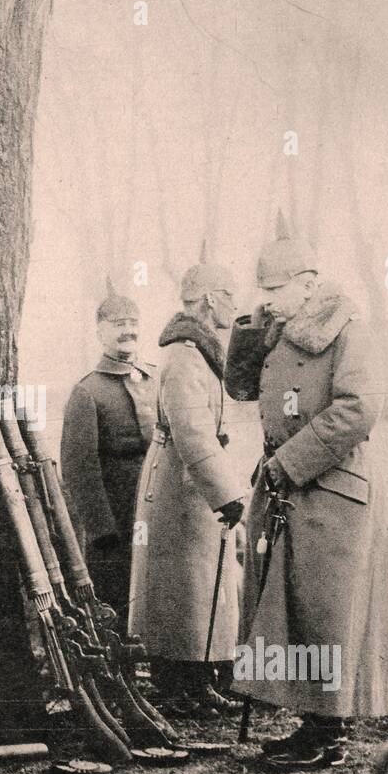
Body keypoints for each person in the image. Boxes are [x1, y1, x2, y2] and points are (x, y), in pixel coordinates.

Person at [225, 213, 388, 770]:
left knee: (328, 615)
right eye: (264, 291)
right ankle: (311, 725)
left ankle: (330, 734)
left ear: (307, 282)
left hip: (332, 490)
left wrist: (290, 463)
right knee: (295, 608)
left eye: (275, 290)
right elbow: (241, 388)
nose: (268, 299)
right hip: (295, 486)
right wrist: (250, 330)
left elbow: (359, 408)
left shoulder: (348, 329)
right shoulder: (281, 326)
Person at [129, 257, 247, 716]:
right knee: (179, 590)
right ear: (210, 299)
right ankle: (176, 689)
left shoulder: (200, 350)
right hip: (182, 483)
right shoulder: (183, 353)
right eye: (231, 296)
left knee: (201, 589)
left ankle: (197, 683)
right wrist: (227, 494)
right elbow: (192, 430)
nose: (236, 307)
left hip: (195, 479)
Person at [60, 294, 157, 622]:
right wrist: (102, 529)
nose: (128, 331)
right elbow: (78, 469)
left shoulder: (155, 381)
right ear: (100, 332)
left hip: (158, 511)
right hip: (116, 518)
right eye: (118, 325)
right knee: (115, 599)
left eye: (133, 323)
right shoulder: (88, 392)